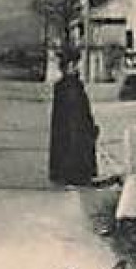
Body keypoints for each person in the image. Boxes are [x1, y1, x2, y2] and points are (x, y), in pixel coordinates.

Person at [47, 49, 99, 186]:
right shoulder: (72, 87)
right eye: (76, 64)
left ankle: (64, 171)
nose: (79, 67)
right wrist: (89, 129)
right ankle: (75, 172)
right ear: (70, 66)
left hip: (66, 141)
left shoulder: (62, 86)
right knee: (73, 144)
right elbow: (77, 118)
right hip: (76, 141)